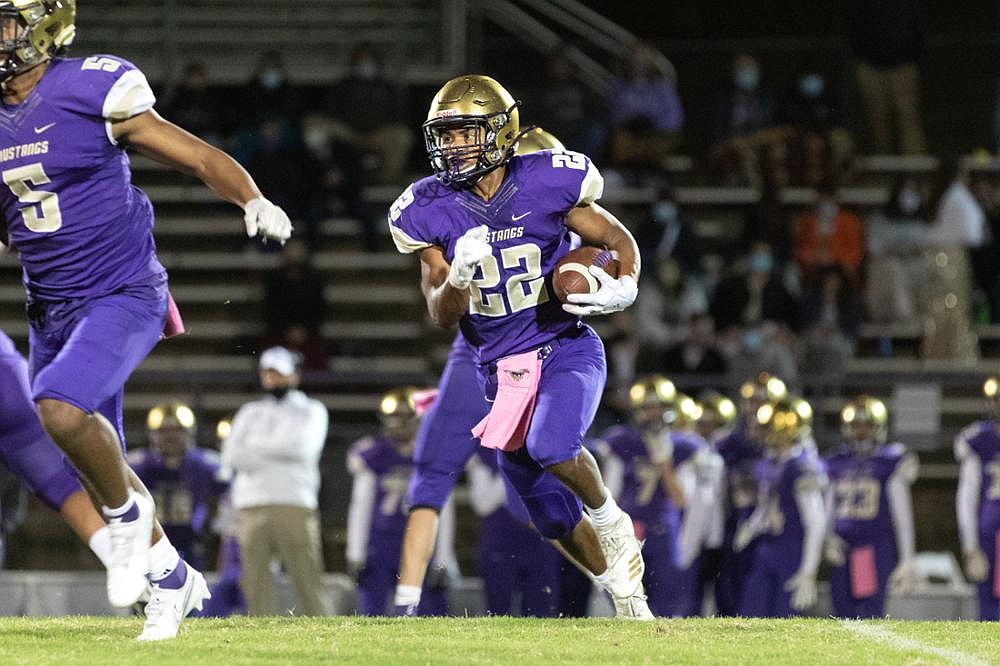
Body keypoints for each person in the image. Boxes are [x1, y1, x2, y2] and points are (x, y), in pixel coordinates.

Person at [0, 0, 290, 638]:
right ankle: (172, 579)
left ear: (44, 24)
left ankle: (129, 525)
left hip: (121, 291)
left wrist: (252, 196)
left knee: (56, 406)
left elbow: (195, 155)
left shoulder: (87, 86)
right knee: (94, 451)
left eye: (4, 22)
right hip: (49, 306)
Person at [387, 75, 651, 618]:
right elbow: (441, 314)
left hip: (564, 347)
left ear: (501, 132)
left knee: (554, 445)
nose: (455, 146)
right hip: (500, 371)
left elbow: (617, 240)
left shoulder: (547, 180)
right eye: (447, 135)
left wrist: (624, 286)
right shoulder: (427, 207)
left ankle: (611, 519)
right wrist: (456, 276)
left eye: (467, 133)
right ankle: (624, 594)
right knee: (551, 516)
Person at [389, 127, 586, 617]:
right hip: (481, 354)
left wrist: (609, 281)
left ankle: (616, 585)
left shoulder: (563, 211)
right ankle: (406, 605)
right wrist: (457, 272)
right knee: (433, 468)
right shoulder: (466, 203)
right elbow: (439, 300)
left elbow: (593, 264)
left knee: (551, 487)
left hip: (547, 348)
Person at [220, 346, 330, 616]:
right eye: (269, 373)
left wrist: (255, 448)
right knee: (255, 584)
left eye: (280, 374)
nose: (274, 379)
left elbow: (302, 448)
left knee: (307, 580)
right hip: (251, 506)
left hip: (293, 503)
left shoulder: (312, 409)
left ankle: (326, 637)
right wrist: (278, 450)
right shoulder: (249, 411)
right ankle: (260, 641)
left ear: (295, 376)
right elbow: (233, 455)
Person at [595, 376, 716, 617]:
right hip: (629, 532)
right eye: (648, 407)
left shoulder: (684, 446)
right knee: (624, 603)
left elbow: (682, 499)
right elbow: (609, 493)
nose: (654, 414)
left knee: (668, 607)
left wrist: (665, 462)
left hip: (664, 531)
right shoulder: (622, 440)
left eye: (658, 407)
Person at [346, 387, 456, 616]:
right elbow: (361, 506)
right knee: (372, 613)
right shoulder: (373, 454)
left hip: (422, 541)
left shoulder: (433, 455)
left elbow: (444, 509)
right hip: (381, 543)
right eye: (397, 418)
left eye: (408, 418)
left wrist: (444, 557)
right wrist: (355, 552)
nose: (403, 425)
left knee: (429, 615)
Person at [825, 396, 918, 618]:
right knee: (840, 611)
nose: (859, 431)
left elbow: (902, 512)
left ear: (878, 427)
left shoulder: (890, 459)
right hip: (841, 546)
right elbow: (827, 506)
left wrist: (907, 559)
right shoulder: (835, 460)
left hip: (871, 547)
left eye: (865, 425)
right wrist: (826, 538)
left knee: (868, 613)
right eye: (855, 425)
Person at [734, 398, 827, 617]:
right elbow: (768, 504)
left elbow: (816, 521)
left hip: (791, 546)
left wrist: (808, 571)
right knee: (751, 612)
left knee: (783, 617)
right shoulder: (770, 462)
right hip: (768, 544)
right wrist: (752, 526)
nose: (761, 433)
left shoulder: (801, 466)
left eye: (767, 427)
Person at [711, 373, 786, 616]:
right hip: (732, 522)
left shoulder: (785, 442)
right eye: (751, 401)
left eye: (762, 401)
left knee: (761, 604)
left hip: (772, 530)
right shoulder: (727, 442)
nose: (755, 408)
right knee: (727, 595)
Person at [128, 402, 228, 571]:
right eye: (164, 431)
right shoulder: (138, 464)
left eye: (176, 431)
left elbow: (225, 494)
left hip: (191, 541)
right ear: (153, 434)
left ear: (188, 433)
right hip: (148, 542)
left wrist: (212, 524)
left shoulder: (204, 464)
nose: (170, 437)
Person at [466, 446, 562, 617]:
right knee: (498, 614)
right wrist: (512, 468)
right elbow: (482, 504)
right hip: (500, 545)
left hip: (540, 544)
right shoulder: (486, 451)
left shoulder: (543, 447)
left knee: (542, 614)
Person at [954, 375, 1000, 621]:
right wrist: (970, 547)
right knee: (990, 612)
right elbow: (966, 496)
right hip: (992, 536)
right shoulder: (978, 439)